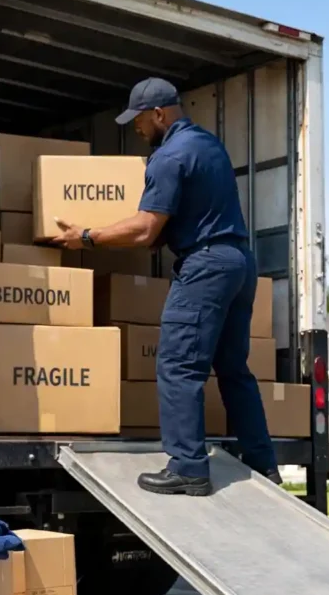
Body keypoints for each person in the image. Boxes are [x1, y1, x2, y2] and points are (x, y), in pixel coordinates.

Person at [52, 77, 283, 496]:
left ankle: (189, 467)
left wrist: (86, 236)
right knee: (233, 368)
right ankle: (263, 463)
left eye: (139, 120)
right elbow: (173, 224)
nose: (136, 128)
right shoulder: (209, 145)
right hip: (238, 262)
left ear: (159, 114)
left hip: (206, 266)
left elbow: (145, 230)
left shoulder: (167, 157)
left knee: (178, 365)